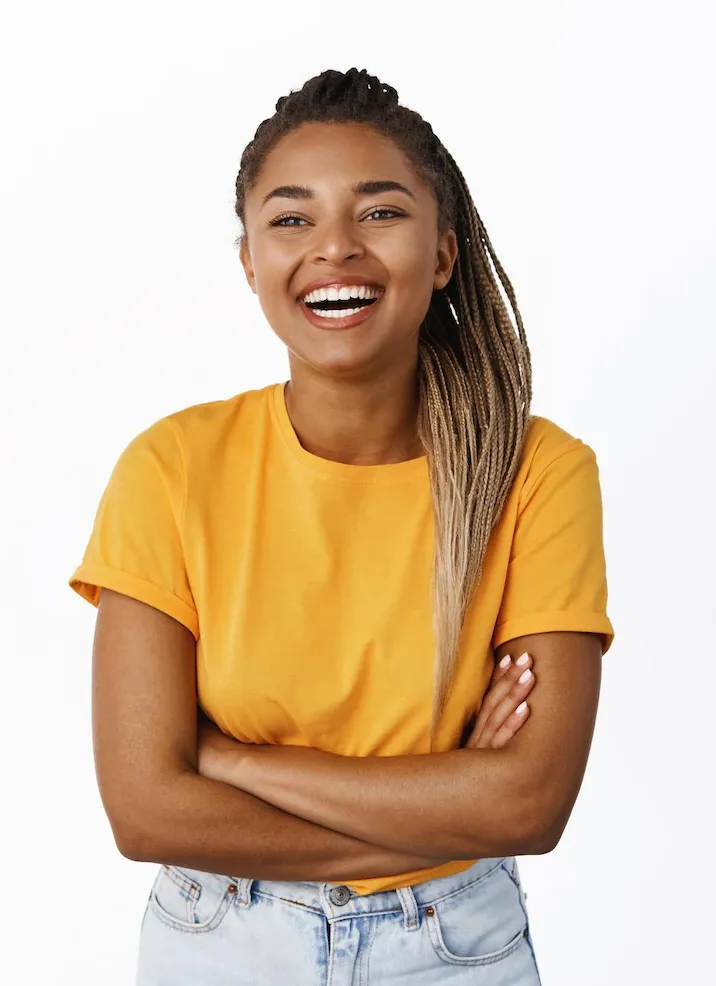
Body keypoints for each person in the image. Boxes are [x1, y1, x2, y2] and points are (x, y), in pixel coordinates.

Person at [68, 67, 614, 985]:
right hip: (219, 940)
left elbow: (527, 803)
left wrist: (230, 760)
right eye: (291, 218)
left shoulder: (539, 473)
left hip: (456, 949)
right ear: (249, 262)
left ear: (442, 255)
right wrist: (444, 803)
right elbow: (148, 813)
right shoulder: (170, 468)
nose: (335, 248)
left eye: (380, 212)